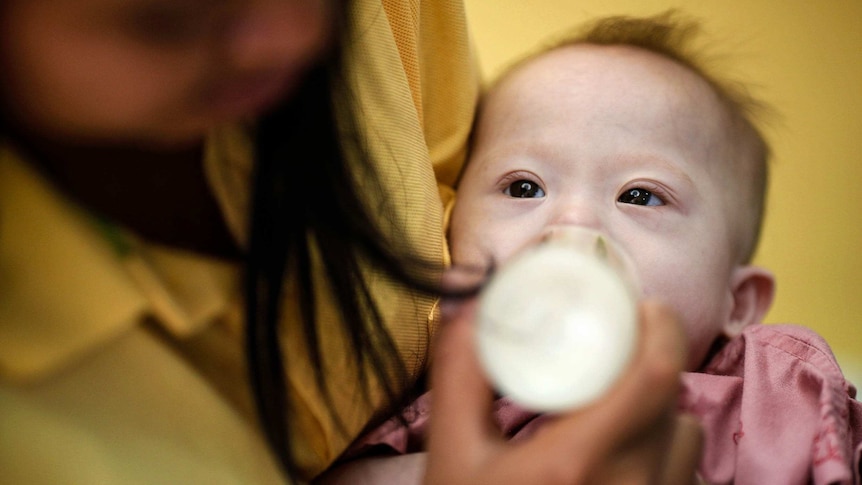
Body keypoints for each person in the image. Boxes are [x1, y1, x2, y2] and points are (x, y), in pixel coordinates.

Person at [0, 1, 695, 484]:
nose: (297, 35)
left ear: (744, 295)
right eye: (169, 21)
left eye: (641, 196)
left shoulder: (787, 391)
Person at [322, 11, 862, 485]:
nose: (572, 224)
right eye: (523, 187)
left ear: (738, 301)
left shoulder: (775, 396)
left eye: (641, 195)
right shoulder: (411, 401)